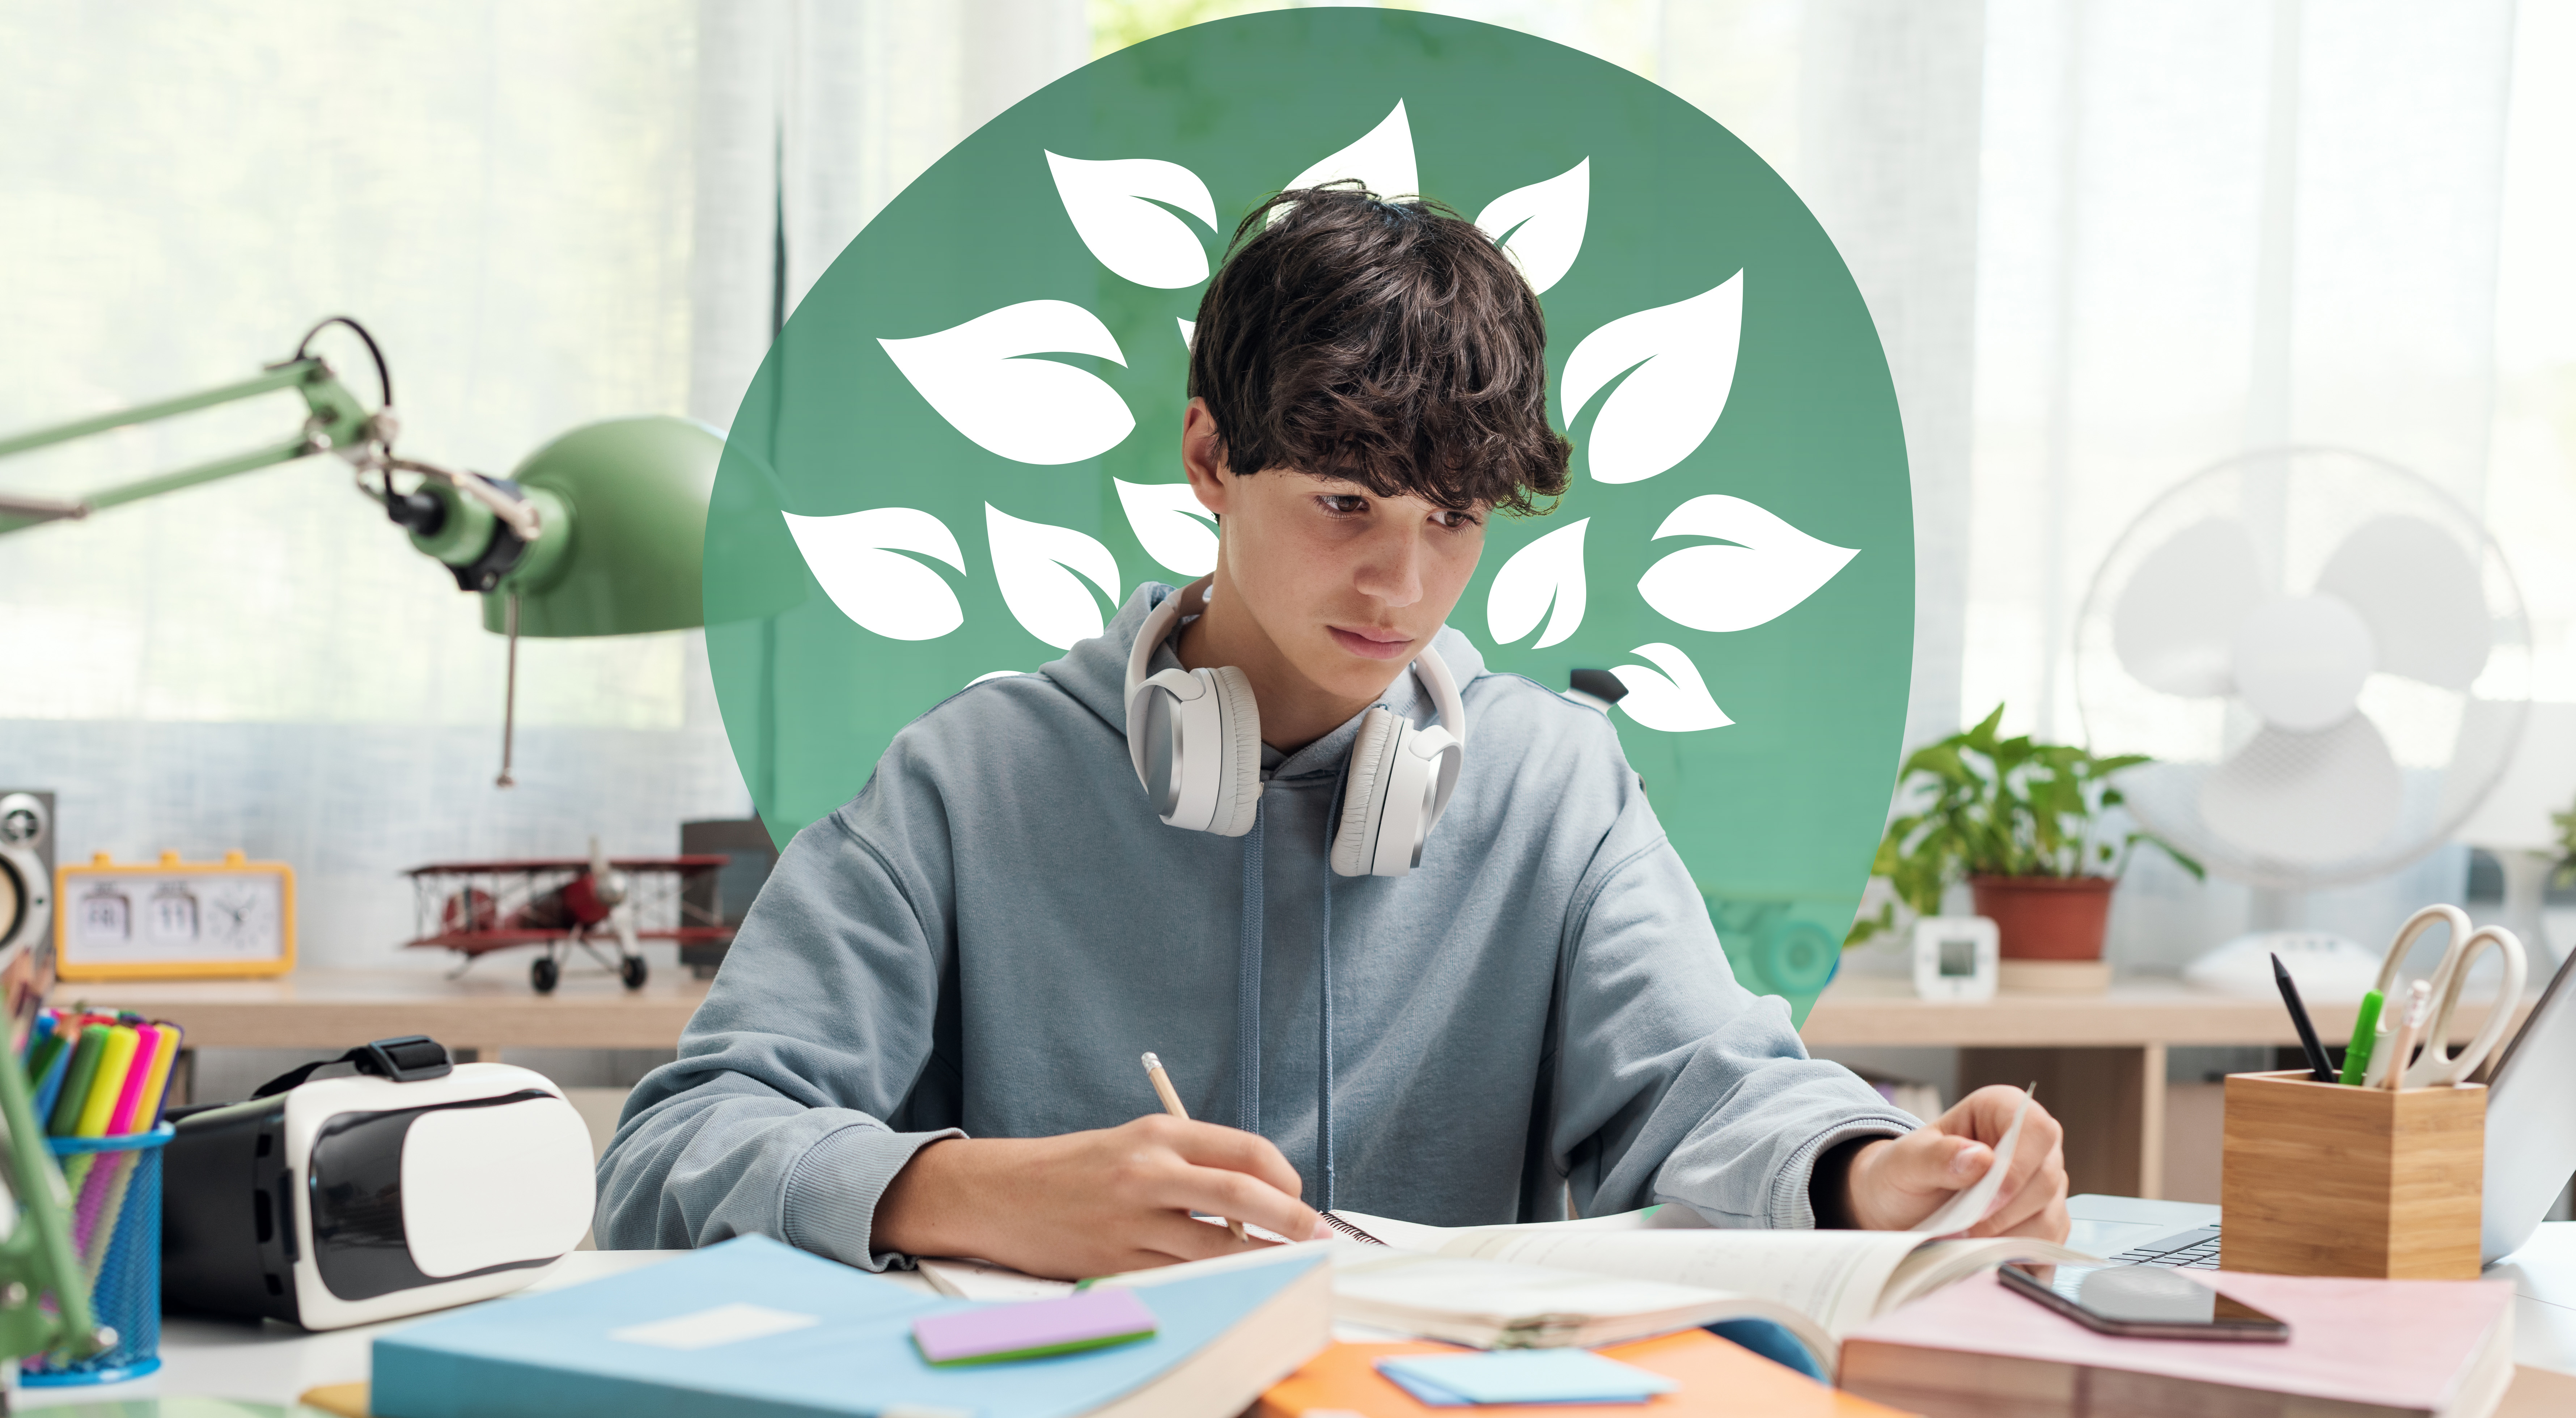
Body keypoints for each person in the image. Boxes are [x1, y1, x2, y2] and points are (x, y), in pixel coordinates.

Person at [596, 186, 2069, 1279]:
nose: (1401, 584)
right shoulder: (968, 784)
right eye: (1346, 505)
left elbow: (1714, 1086)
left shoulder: (1557, 786)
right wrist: (971, 1194)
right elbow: (674, 1148)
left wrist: (1881, 1171)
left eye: (1454, 524)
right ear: (1207, 459)